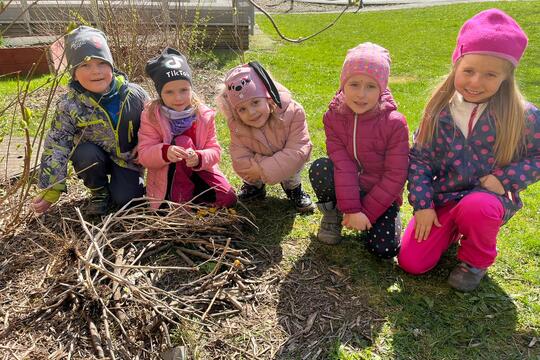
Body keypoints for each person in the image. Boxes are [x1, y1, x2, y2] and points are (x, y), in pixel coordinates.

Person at [398, 9, 540, 291]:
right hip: (446, 197)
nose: (476, 82)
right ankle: (452, 229)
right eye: (469, 71)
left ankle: (476, 260)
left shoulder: (523, 116)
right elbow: (420, 161)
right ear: (456, 67)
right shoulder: (440, 111)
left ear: (506, 77)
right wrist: (423, 205)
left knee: (477, 208)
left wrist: (504, 179)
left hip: (486, 201)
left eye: (490, 74)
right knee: (411, 262)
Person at [31, 26, 148, 216]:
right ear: (74, 73)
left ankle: (121, 187)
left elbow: (155, 124)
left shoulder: (134, 94)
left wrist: (144, 143)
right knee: (84, 153)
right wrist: (51, 190)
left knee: (128, 201)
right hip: (94, 158)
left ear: (111, 66)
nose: (96, 72)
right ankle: (99, 191)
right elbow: (57, 145)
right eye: (85, 65)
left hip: (128, 161)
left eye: (101, 63)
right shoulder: (69, 105)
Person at [308, 42, 409, 259]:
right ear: (343, 84)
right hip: (347, 187)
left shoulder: (395, 123)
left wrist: (367, 213)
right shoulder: (333, 117)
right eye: (354, 84)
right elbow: (343, 163)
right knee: (321, 168)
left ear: (382, 89)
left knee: (384, 250)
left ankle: (383, 219)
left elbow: (396, 175)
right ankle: (335, 214)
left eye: (371, 86)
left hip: (380, 194)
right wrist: (352, 209)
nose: (361, 94)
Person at [138, 48, 236, 209]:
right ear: (160, 93)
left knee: (228, 198)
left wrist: (199, 157)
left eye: (184, 90)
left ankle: (192, 203)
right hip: (167, 178)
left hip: (199, 172)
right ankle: (179, 203)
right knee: (183, 142)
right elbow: (144, 155)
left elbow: (215, 150)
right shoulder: (152, 116)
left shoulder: (203, 115)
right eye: (169, 92)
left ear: (191, 88)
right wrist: (164, 152)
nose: (178, 97)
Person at [216, 62, 315, 212]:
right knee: (251, 172)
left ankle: (293, 188)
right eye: (242, 109)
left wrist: (262, 168)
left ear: (268, 98)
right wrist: (256, 171)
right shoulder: (237, 125)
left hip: (287, 161)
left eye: (255, 102)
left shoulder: (293, 112)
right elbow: (239, 157)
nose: (251, 112)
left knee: (292, 169)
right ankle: (254, 186)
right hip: (256, 165)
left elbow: (298, 150)